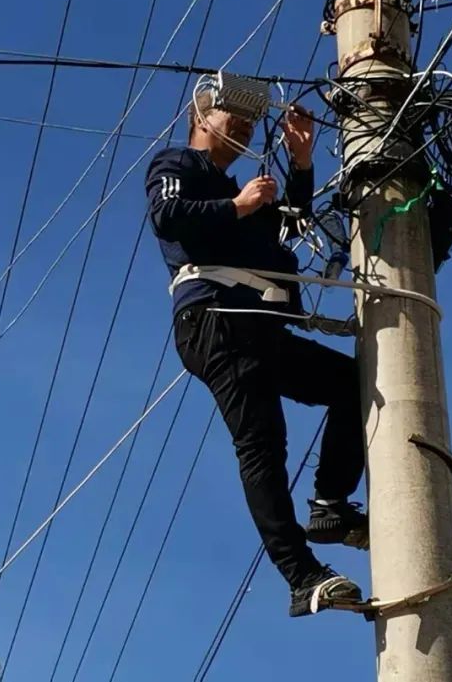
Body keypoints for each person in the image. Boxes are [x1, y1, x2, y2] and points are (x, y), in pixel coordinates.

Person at [144, 83, 369, 617]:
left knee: (350, 385)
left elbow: (289, 220)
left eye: (251, 120)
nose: (245, 125)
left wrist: (302, 159)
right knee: (262, 443)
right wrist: (238, 204)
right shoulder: (178, 163)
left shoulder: (240, 192)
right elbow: (168, 217)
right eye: (235, 114)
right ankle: (301, 575)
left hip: (258, 327)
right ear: (201, 113)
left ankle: (330, 506)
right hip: (215, 321)